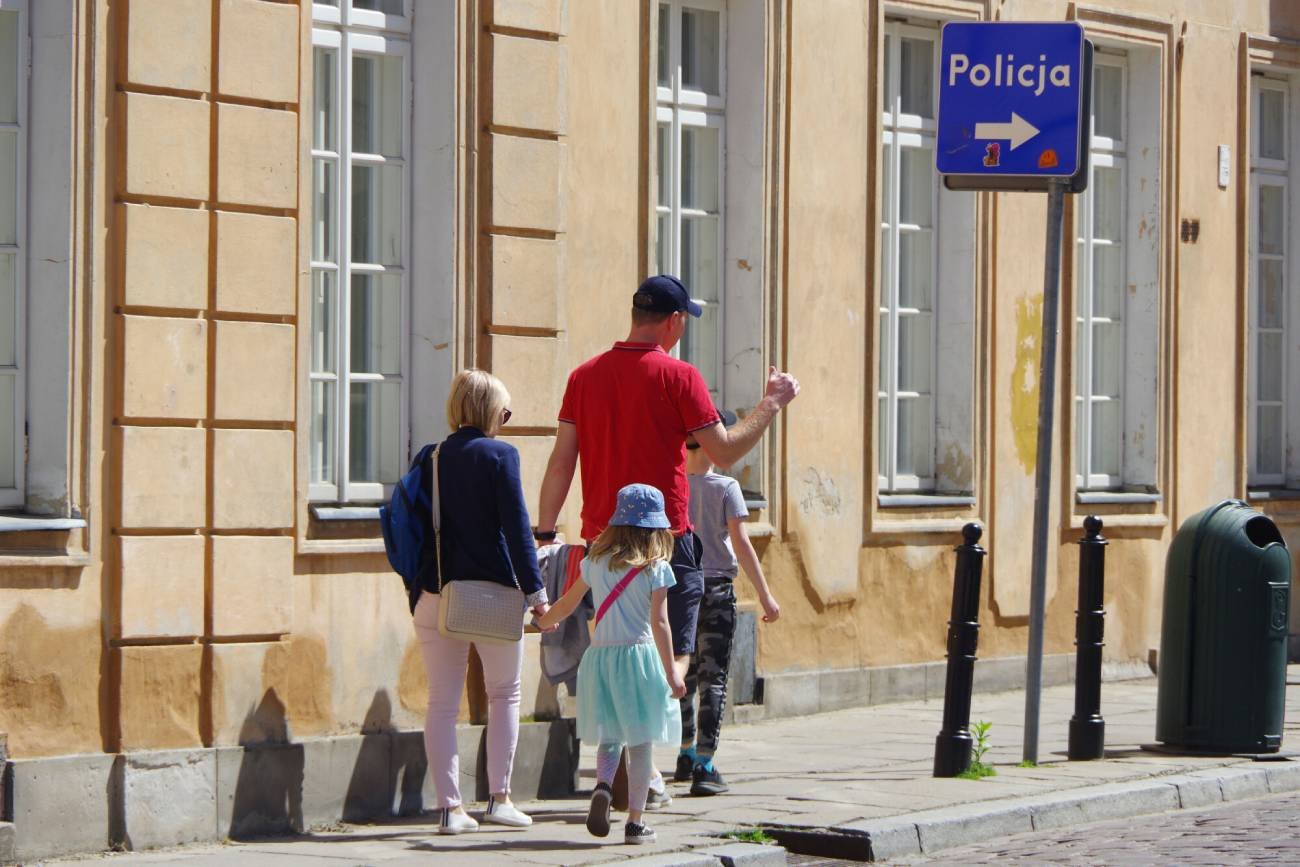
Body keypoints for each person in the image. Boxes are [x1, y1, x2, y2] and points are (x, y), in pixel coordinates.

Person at [535, 274, 799, 700]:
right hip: (666, 540)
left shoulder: (583, 377)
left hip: (602, 541)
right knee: (673, 657)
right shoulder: (680, 377)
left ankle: (617, 761)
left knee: (614, 652)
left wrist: (545, 534)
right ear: (674, 320)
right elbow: (725, 452)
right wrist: (771, 403)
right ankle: (644, 752)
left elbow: (561, 462)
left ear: (636, 316)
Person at [412, 369, 551, 835]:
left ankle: (450, 810)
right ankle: (499, 799)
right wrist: (538, 597)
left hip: (436, 594)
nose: (506, 421)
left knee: (441, 703)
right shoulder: (500, 456)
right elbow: (517, 529)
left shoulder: (430, 458)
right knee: (505, 694)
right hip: (493, 596)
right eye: (505, 412)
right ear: (492, 411)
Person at [538, 484, 686, 846]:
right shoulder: (656, 568)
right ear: (654, 528)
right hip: (639, 658)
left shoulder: (594, 564)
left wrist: (545, 619)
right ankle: (635, 823)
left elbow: (568, 604)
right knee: (640, 742)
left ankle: (603, 784)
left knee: (609, 735)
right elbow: (661, 623)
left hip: (600, 659)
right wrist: (671, 672)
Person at [676, 415, 781, 796]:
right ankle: (705, 764)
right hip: (717, 588)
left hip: (678, 590)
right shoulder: (726, 487)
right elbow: (741, 543)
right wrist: (765, 594)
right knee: (713, 678)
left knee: (683, 677)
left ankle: (685, 754)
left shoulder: (672, 484)